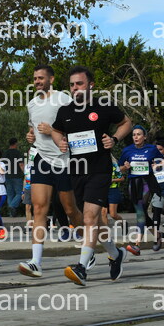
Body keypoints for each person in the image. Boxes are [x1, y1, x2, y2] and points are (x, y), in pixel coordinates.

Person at [51, 65, 131, 286]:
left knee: (89, 217)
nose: (75, 88)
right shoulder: (65, 111)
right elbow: (56, 130)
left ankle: (81, 267)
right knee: (93, 221)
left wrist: (114, 139)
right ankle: (116, 254)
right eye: (72, 85)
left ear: (90, 85)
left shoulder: (103, 106)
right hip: (77, 171)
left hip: (99, 170)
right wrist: (60, 142)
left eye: (80, 83)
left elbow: (126, 122)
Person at [19, 64, 83, 278]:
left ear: (51, 80)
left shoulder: (63, 99)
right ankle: (36, 262)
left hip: (63, 160)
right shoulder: (31, 104)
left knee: (70, 210)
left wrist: (53, 130)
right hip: (41, 159)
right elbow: (32, 128)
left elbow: (77, 126)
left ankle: (88, 243)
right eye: (35, 78)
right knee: (39, 209)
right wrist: (31, 136)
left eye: (41, 78)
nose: (37, 82)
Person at [118, 125, 163, 255]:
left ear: (144, 137)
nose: (136, 137)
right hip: (133, 183)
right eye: (134, 135)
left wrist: (156, 165)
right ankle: (158, 235)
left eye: (138, 134)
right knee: (141, 211)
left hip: (147, 182)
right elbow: (119, 168)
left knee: (140, 211)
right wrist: (125, 167)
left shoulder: (152, 149)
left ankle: (137, 245)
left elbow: (162, 162)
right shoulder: (127, 150)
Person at [101, 155, 125, 230]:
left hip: (113, 190)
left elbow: (122, 178)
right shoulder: (98, 167)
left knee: (113, 214)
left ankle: (123, 222)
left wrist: (112, 180)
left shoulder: (114, 166)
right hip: (103, 190)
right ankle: (105, 233)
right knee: (103, 213)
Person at [2, 138, 24, 216]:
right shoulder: (17, 153)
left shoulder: (5, 153)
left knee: (10, 194)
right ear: (15, 143)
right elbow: (21, 164)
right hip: (16, 175)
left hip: (7, 176)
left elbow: (2, 165)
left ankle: (11, 213)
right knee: (19, 193)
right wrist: (25, 173)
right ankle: (12, 206)